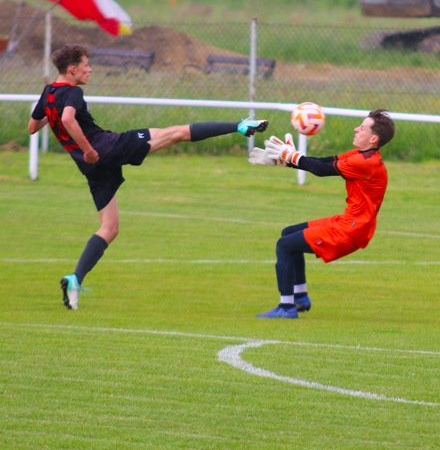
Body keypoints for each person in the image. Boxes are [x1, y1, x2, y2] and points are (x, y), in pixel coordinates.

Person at [28, 44, 269, 310]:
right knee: (176, 133)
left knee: (110, 228)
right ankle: (240, 125)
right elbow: (68, 118)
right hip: (106, 149)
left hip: (93, 167)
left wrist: (63, 129)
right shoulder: (73, 92)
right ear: (72, 70)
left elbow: (32, 126)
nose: (90, 69)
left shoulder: (48, 92)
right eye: (86, 65)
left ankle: (75, 279)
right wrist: (87, 149)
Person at [248, 109, 395, 319]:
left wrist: (293, 156)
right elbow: (325, 162)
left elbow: (321, 170)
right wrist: (286, 160)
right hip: (348, 222)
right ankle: (299, 297)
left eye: (362, 128)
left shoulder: (365, 163)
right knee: (288, 233)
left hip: (351, 231)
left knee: (285, 245)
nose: (356, 129)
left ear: (374, 138)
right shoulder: (360, 156)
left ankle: (286, 307)